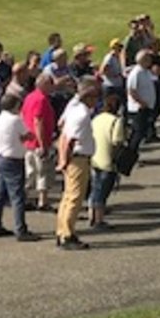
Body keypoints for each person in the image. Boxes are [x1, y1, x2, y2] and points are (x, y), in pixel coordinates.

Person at [54, 82, 99, 250]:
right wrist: (64, 160)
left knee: (67, 197)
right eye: (95, 97)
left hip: (75, 158)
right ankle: (67, 234)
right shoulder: (81, 115)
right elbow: (69, 139)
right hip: (78, 159)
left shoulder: (75, 110)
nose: (97, 100)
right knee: (74, 198)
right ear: (87, 97)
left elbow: (63, 132)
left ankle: (62, 230)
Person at [0, 93, 40, 241]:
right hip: (13, 159)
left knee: (0, 194)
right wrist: (26, 137)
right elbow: (29, 135)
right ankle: (21, 229)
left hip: (1, 156)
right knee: (17, 196)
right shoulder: (16, 120)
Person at [21, 71, 58, 213]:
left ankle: (24, 198)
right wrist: (43, 144)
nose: (52, 87)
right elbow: (39, 122)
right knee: (43, 172)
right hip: (38, 143)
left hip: (29, 142)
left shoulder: (29, 97)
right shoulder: (41, 99)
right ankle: (43, 201)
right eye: (50, 84)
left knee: (30, 172)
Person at [89, 93, 126, 230]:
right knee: (102, 193)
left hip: (94, 159)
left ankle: (91, 216)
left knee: (95, 189)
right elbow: (117, 142)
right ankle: (99, 220)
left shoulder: (96, 119)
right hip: (108, 161)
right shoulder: (116, 121)